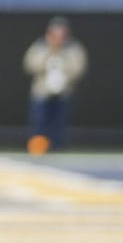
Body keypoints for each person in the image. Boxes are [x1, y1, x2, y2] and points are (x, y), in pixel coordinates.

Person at [23, 16, 88, 153]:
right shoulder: (40, 46)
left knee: (59, 123)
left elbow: (78, 69)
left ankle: (58, 148)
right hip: (42, 92)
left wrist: (63, 61)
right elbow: (30, 65)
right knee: (40, 122)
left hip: (64, 92)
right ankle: (38, 148)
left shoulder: (73, 48)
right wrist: (50, 52)